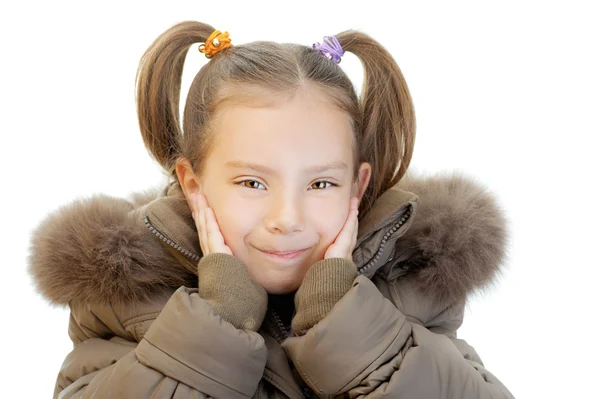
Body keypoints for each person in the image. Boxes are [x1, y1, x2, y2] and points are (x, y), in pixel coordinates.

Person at [27, 21, 515, 398]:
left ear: (356, 186)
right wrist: (215, 323)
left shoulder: (410, 288)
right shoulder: (128, 300)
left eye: (321, 182)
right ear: (192, 183)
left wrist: (350, 330)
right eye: (253, 182)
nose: (287, 217)